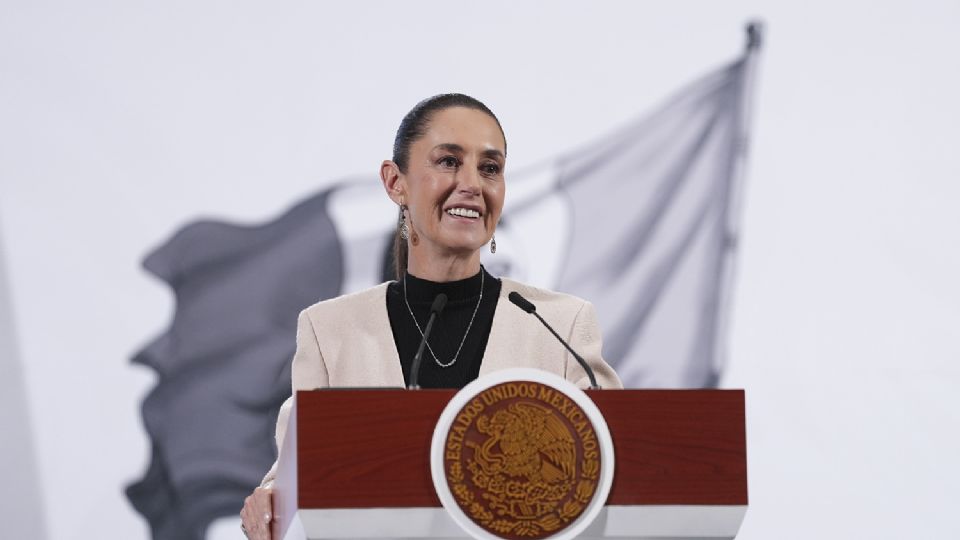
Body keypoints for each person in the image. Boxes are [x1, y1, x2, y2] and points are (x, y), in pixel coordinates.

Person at [239, 93, 622, 539]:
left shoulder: (559, 324)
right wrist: (269, 500)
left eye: (490, 168)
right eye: (448, 162)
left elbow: (616, 469)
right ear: (395, 182)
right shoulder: (329, 331)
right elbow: (295, 471)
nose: (472, 184)